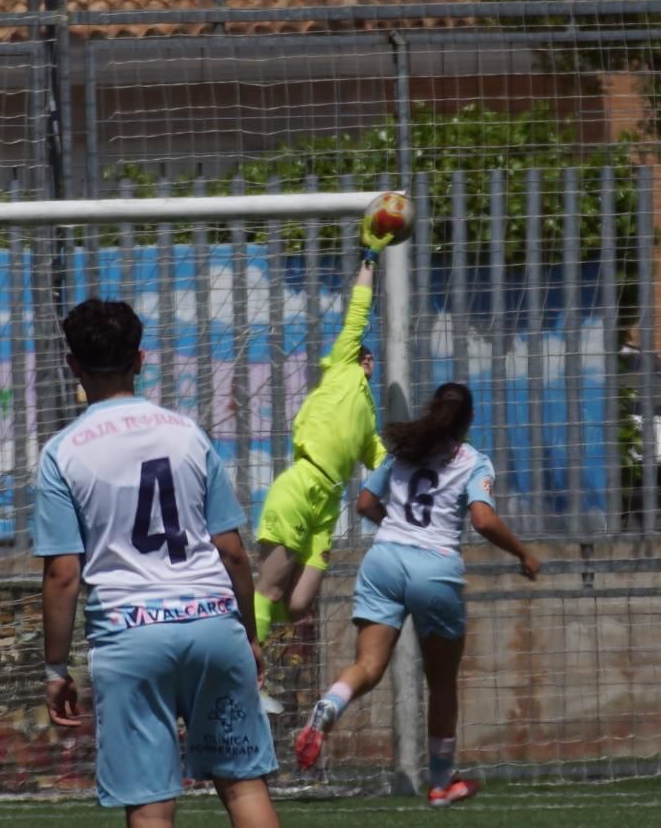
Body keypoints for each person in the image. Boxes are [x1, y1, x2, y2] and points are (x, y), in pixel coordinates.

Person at [34, 298, 279, 828]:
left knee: (150, 807)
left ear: (73, 366)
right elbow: (232, 550)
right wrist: (248, 635)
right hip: (211, 623)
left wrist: (55, 669)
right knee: (242, 783)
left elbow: (62, 574)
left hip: (130, 633)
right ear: (140, 360)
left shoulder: (62, 452)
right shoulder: (187, 433)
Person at [294, 383, 540, 808]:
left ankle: (330, 705)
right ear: (469, 420)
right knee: (441, 683)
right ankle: (441, 783)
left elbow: (365, 502)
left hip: (383, 560)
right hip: (434, 569)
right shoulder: (473, 461)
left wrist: (397, 527)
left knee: (367, 666)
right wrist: (523, 553)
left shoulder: (403, 450)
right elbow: (482, 520)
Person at [252, 221, 392, 705]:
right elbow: (359, 310)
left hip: (328, 505)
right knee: (271, 591)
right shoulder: (342, 367)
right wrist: (371, 258)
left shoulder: (368, 420)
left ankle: (243, 626)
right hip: (301, 484)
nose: (369, 359)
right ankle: (247, 678)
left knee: (297, 603)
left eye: (370, 357)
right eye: (365, 353)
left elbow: (387, 462)